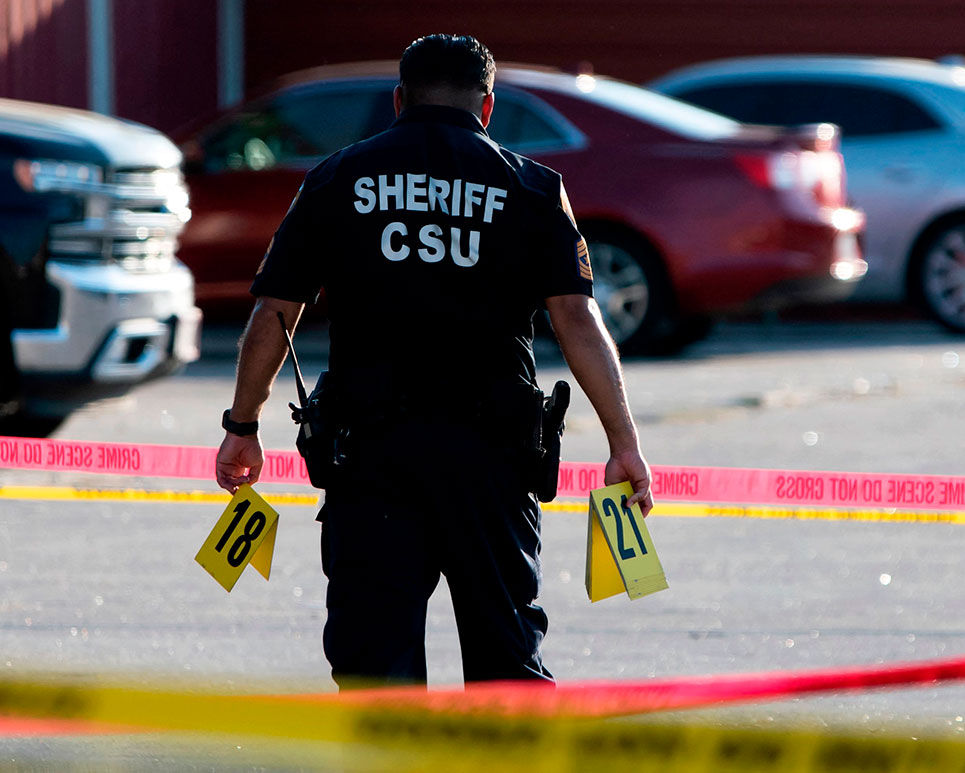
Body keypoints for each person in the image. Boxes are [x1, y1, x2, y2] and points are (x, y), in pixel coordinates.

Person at [215, 34, 652, 689]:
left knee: (374, 666)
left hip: (370, 456)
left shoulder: (335, 178)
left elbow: (274, 315)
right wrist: (624, 442)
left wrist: (243, 425)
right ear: (488, 107)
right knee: (507, 664)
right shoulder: (533, 188)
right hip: (492, 459)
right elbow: (578, 322)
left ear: (399, 100)